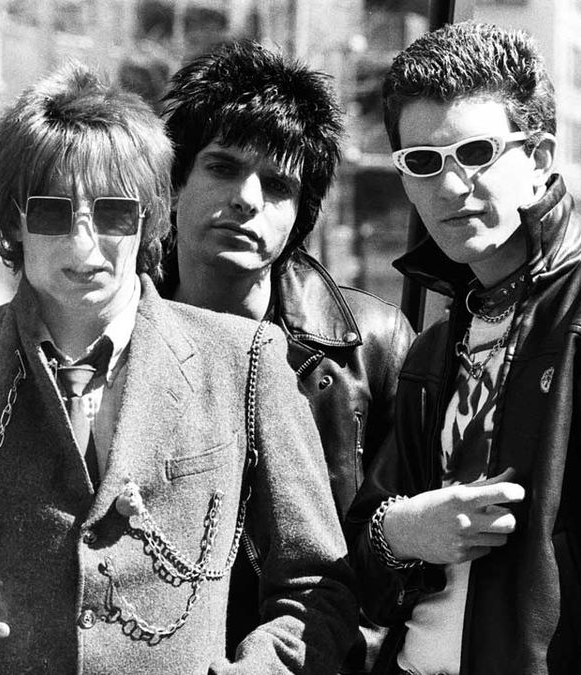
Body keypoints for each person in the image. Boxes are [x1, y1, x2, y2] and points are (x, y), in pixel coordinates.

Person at [0, 65, 356, 674]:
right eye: (52, 214)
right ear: (12, 222)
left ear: (152, 218)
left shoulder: (246, 361)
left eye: (114, 215)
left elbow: (318, 591)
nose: (84, 246)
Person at [345, 21, 581, 674]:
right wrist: (401, 532)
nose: (452, 186)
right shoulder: (435, 347)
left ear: (539, 157)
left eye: (478, 152)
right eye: (424, 162)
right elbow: (365, 547)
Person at [158, 41, 414, 670]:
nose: (247, 199)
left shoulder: (374, 346)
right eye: (221, 166)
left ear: (301, 214)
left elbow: (401, 570)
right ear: (173, 180)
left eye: (277, 185)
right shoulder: (121, 336)